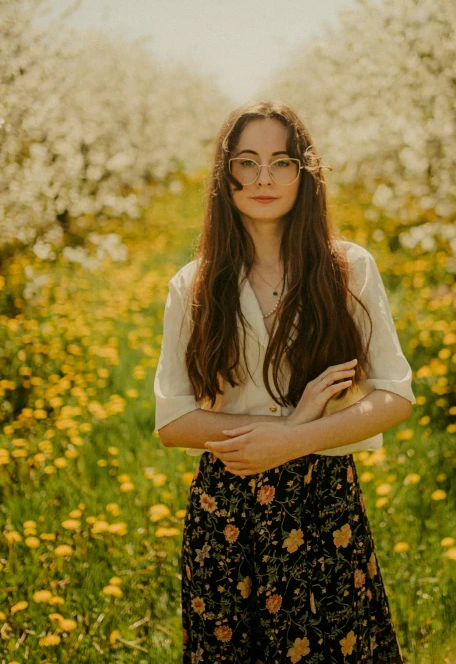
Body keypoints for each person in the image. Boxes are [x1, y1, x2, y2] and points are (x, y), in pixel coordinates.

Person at [154, 100, 416, 664]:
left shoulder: (347, 268)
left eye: (282, 162)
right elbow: (173, 420)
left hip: (324, 508)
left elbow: (396, 394)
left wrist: (295, 440)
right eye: (247, 162)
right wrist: (288, 424)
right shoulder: (193, 283)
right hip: (227, 513)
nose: (264, 178)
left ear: (306, 173)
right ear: (226, 176)